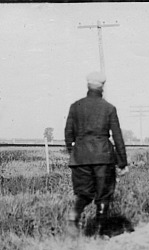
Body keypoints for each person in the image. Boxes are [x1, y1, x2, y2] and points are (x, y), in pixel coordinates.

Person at [64, 71, 128, 237]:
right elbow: (117, 136)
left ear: (87, 86)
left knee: (84, 193)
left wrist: (74, 152)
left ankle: (74, 216)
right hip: (103, 157)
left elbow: (68, 133)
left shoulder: (75, 106)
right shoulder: (109, 108)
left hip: (80, 157)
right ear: (102, 88)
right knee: (103, 195)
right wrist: (122, 162)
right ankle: (100, 234)